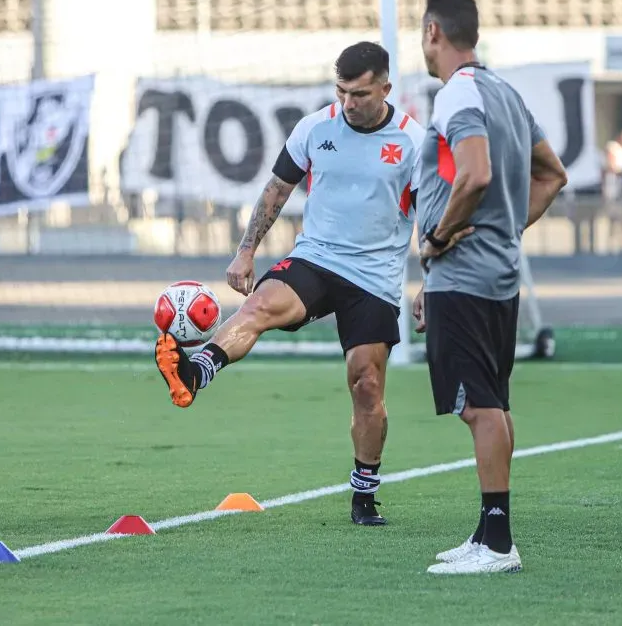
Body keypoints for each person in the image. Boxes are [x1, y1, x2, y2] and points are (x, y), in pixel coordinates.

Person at [154, 41, 461, 526]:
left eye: (359, 94)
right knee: (257, 307)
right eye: (341, 92)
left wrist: (430, 283)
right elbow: (278, 188)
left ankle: (364, 494)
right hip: (316, 259)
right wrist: (247, 249)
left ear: (385, 88)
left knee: (366, 385)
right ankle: (194, 373)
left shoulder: (412, 143)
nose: (348, 103)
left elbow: (432, 218)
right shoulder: (315, 127)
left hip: (375, 279)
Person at [412, 0, 568, 574]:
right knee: (493, 403)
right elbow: (552, 175)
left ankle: (499, 544)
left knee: (477, 407)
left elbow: (474, 174)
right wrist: (504, 229)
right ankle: (487, 532)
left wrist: (439, 240)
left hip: (467, 277)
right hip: (495, 274)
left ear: (434, 32)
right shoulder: (505, 92)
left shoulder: (458, 93)